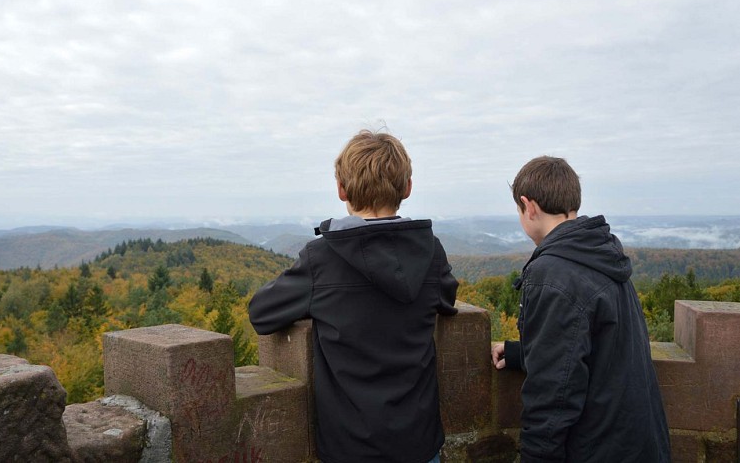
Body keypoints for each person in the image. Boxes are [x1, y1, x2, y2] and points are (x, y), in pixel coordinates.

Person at [249, 129, 458, 463]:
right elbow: (446, 301)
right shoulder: (431, 252)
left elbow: (261, 314)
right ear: (407, 188)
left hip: (349, 448)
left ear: (341, 189)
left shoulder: (321, 259)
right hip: (419, 442)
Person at [491, 156, 671, 463]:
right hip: (641, 444)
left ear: (528, 206)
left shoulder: (552, 273)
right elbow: (597, 346)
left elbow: (551, 396)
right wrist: (521, 353)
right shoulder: (599, 252)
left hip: (599, 449)